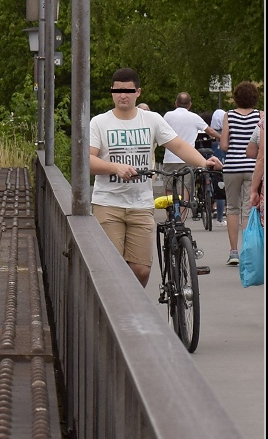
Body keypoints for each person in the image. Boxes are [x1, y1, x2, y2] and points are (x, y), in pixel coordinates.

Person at [90, 68, 222, 287]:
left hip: (141, 204)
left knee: (141, 270)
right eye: (118, 90)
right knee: (112, 268)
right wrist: (115, 168)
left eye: (128, 91)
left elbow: (178, 145)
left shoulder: (151, 120)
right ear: (112, 92)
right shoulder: (99, 122)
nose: (123, 95)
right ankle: (118, 308)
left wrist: (203, 162)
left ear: (138, 92)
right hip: (108, 203)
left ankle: (131, 303)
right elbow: (88, 161)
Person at [219, 81, 262, 265]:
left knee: (232, 208)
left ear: (236, 97)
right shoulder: (260, 115)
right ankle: (247, 251)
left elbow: (224, 145)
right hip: (253, 168)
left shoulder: (229, 115)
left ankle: (233, 252)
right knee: (248, 209)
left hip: (232, 167)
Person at [161, 92, 220, 218]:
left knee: (169, 188)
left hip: (170, 158)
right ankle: (181, 220)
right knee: (185, 189)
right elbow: (210, 131)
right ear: (190, 105)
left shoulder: (168, 116)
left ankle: (170, 218)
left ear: (176, 103)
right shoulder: (194, 117)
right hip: (187, 158)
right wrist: (221, 138)